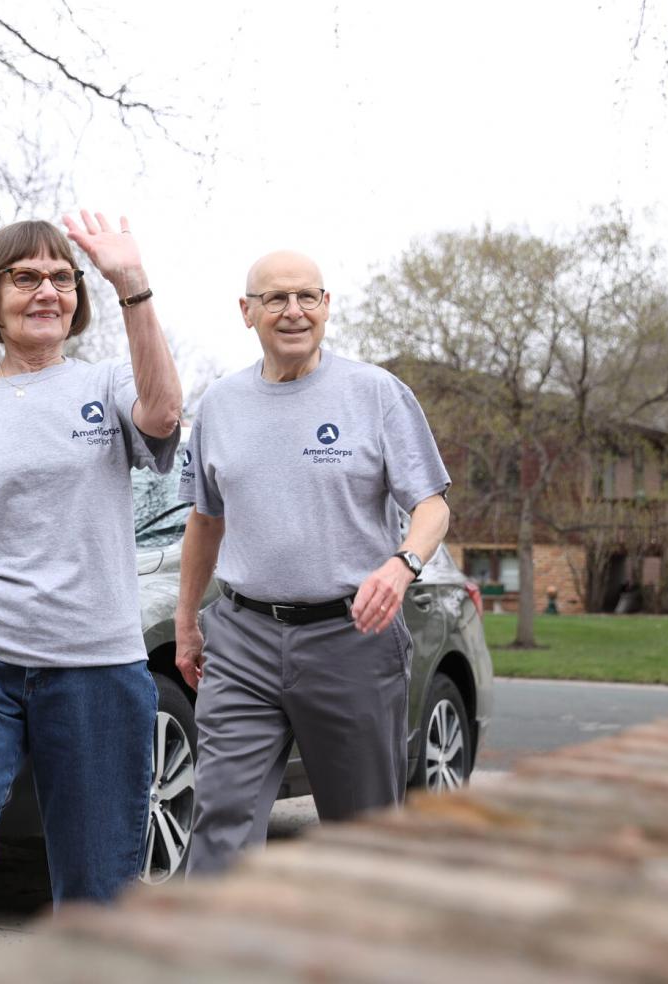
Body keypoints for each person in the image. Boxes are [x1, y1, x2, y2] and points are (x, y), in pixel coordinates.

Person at [0, 213, 182, 967]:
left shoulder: (107, 385)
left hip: (94, 667)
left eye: (61, 277)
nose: (46, 291)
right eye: (26, 277)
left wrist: (132, 287)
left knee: (97, 882)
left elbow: (164, 415)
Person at [173, 249, 451, 876]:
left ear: (326, 306)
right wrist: (189, 619)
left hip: (352, 636)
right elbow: (205, 521)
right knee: (220, 821)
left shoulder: (376, 394)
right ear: (247, 312)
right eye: (275, 298)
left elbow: (432, 508)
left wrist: (402, 563)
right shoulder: (219, 405)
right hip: (241, 638)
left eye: (307, 297)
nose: (293, 311)